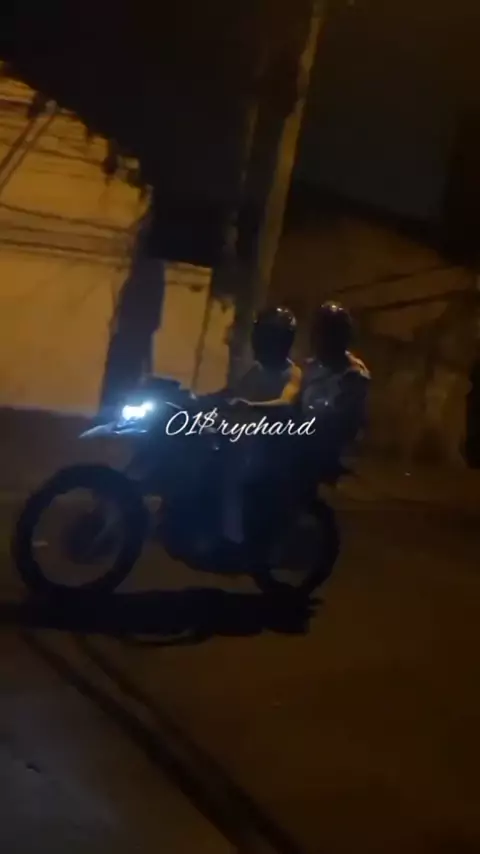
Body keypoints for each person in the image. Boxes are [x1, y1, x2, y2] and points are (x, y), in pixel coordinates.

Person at [299, 300, 371, 474]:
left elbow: (343, 423)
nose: (320, 340)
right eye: (318, 333)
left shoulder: (354, 375)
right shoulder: (310, 366)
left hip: (332, 455)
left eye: (327, 334)